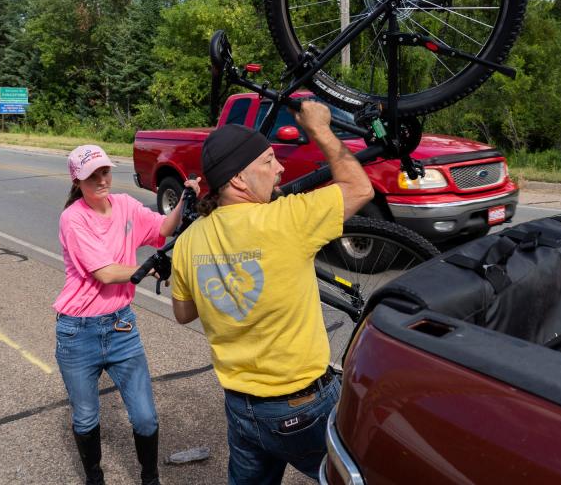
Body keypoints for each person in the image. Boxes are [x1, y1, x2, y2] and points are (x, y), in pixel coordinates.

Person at [170, 101, 373, 483]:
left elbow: (183, 314)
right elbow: (360, 187)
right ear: (238, 180)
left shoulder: (188, 241)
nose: (279, 169)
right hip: (302, 406)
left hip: (241, 407)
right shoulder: (286, 220)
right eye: (267, 161)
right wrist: (320, 129)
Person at [55, 144, 199, 485]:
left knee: (146, 417)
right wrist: (150, 267)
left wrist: (185, 200)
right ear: (77, 181)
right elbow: (104, 273)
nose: (102, 180)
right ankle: (94, 477)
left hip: (121, 326)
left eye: (105, 171)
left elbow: (163, 228)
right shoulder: (73, 218)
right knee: (87, 416)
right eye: (93, 176)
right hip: (78, 333)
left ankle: (150, 478)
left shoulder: (125, 206)